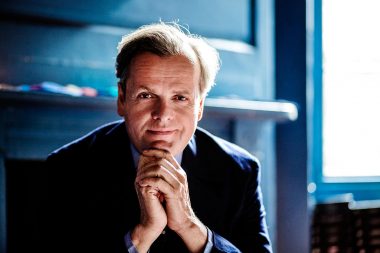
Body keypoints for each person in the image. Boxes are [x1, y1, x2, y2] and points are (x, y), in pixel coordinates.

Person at [43, 22, 272, 253]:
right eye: (146, 95)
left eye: (180, 98)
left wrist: (189, 226)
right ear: (122, 99)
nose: (162, 115)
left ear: (199, 106)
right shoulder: (66, 168)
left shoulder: (239, 170)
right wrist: (140, 237)